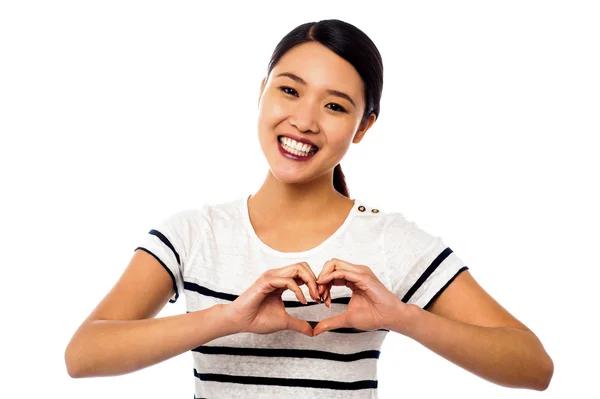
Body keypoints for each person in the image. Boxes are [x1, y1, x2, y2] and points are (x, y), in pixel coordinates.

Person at [64, 19, 554, 397]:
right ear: (262, 92)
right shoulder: (193, 234)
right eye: (290, 90)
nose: (303, 120)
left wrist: (402, 317)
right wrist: (229, 318)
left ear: (363, 127)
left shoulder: (389, 241)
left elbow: (534, 366)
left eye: (335, 106)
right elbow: (83, 355)